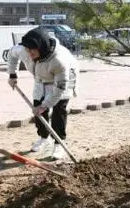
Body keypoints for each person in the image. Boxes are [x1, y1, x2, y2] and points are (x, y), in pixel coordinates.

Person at [7, 27, 79, 161]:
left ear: (42, 47)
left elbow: (59, 90)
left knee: (58, 110)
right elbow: (11, 55)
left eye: (32, 50)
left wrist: (45, 105)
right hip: (41, 79)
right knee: (37, 110)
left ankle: (59, 144)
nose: (28, 53)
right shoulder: (25, 50)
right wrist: (12, 74)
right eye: (27, 49)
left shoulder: (59, 61)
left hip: (64, 80)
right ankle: (43, 137)